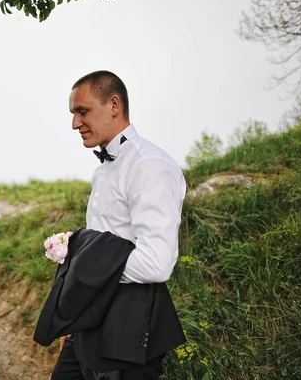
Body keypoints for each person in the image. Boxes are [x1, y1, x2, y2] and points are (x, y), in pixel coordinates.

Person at [51, 70, 187, 379]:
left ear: (114, 105)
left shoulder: (150, 167)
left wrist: (85, 271)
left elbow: (156, 263)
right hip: (90, 321)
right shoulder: (102, 172)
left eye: (82, 111)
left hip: (129, 324)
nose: (74, 123)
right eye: (73, 114)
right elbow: (102, 246)